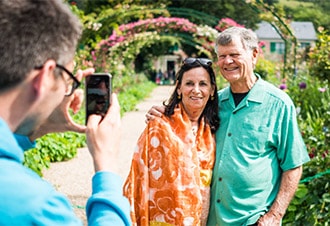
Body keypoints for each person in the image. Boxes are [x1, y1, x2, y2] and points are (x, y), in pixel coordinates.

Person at [146, 27, 310, 225]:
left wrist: (275, 215)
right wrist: (163, 114)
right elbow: (184, 121)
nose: (227, 61)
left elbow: (293, 166)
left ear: (254, 54)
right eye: (222, 56)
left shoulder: (278, 104)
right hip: (211, 218)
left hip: (252, 220)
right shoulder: (214, 102)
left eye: (234, 54)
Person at [0, 0, 131, 225]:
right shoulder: (36, 206)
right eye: (68, 79)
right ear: (45, 76)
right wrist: (106, 164)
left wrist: (40, 126)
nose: (68, 90)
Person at [123, 57, 220, 225]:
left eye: (203, 84)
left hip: (199, 220)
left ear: (212, 90)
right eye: (189, 83)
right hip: (160, 219)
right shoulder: (159, 125)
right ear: (179, 88)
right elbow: (139, 177)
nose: (196, 90)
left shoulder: (212, 129)